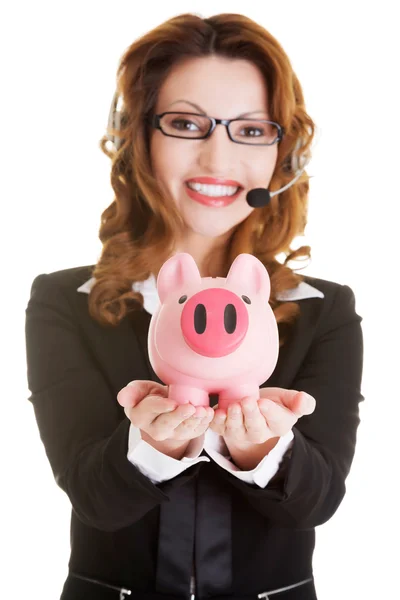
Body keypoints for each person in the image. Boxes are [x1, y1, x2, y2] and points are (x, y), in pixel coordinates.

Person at [25, 12, 364, 600]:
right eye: (186, 123)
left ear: (284, 156)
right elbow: (93, 498)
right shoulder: (65, 302)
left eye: (251, 130)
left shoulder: (322, 311)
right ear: (140, 135)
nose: (216, 159)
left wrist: (265, 448)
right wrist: (152, 446)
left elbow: (319, 500)